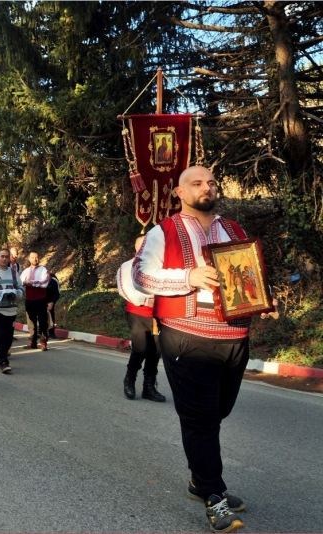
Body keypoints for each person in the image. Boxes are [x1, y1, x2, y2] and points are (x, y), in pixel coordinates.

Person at [133, 166, 279, 533]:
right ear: (179, 193)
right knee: (199, 417)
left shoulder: (233, 230)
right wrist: (188, 277)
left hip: (234, 337)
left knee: (218, 411)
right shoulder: (163, 231)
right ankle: (213, 493)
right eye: (196, 183)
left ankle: (201, 479)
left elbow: (248, 275)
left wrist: (264, 299)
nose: (207, 187)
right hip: (187, 337)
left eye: (211, 182)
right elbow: (140, 275)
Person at [117, 236, 165, 402]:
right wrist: (146, 300)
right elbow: (125, 289)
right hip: (137, 312)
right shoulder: (126, 266)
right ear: (136, 248)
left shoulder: (159, 266)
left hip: (158, 315)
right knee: (141, 348)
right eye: (141, 245)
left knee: (156, 350)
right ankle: (130, 379)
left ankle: (149, 387)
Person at [20, 251, 51, 350]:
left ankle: (43, 342)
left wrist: (30, 283)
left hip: (41, 300)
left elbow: (44, 283)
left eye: (37, 257)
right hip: (29, 300)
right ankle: (32, 342)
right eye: (33, 257)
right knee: (31, 322)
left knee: (43, 321)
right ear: (29, 259)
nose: (35, 259)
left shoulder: (43, 270)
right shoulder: (25, 271)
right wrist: (26, 283)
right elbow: (20, 283)